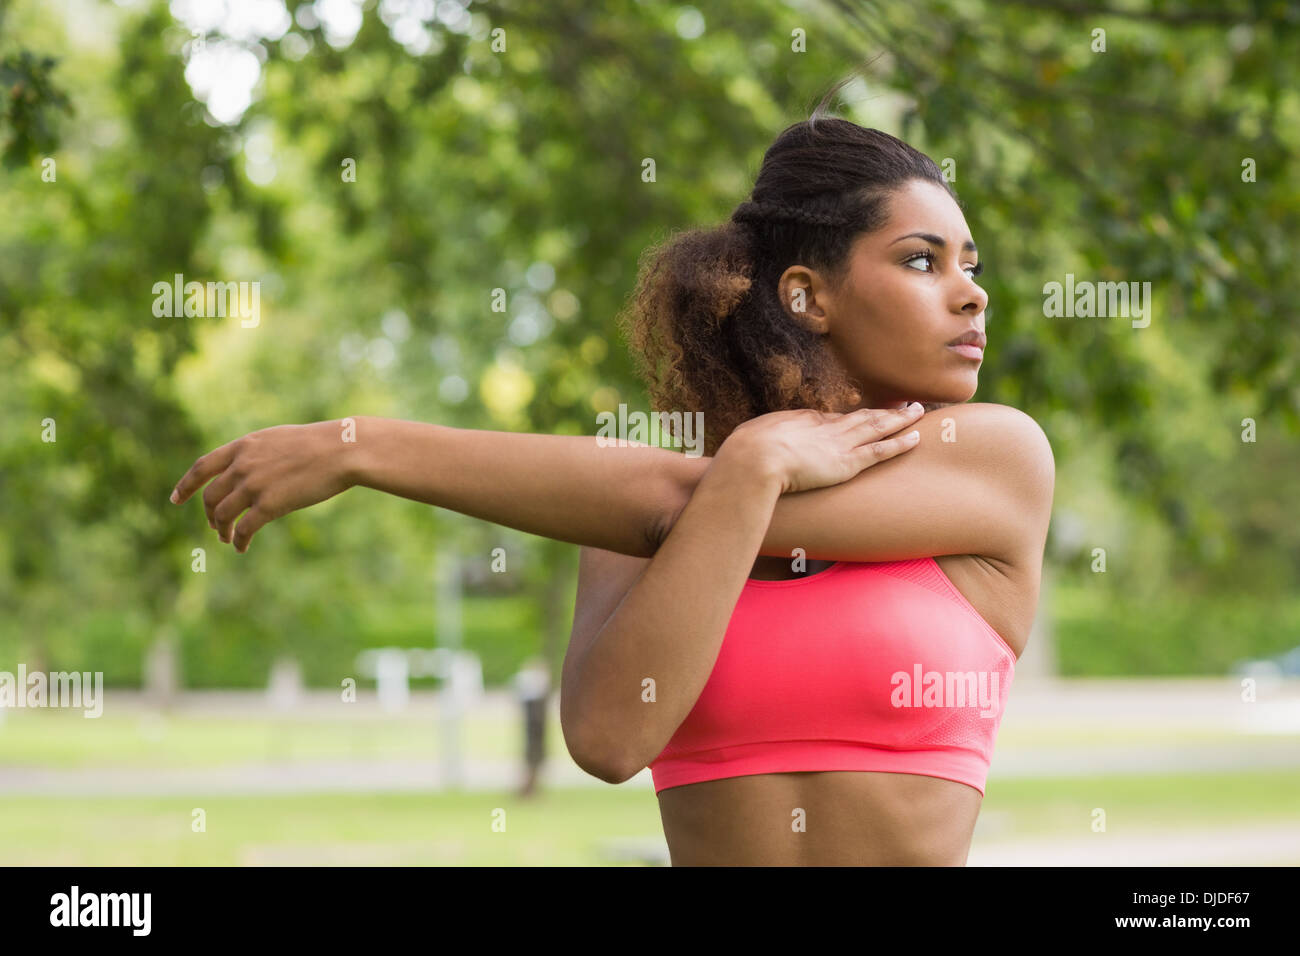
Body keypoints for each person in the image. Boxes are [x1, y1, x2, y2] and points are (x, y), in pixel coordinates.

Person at [169, 99, 1053, 867]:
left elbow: (670, 500)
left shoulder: (997, 459)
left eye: (970, 264)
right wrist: (750, 471)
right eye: (921, 260)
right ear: (807, 298)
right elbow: (609, 742)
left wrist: (363, 448)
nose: (972, 293)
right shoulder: (657, 501)